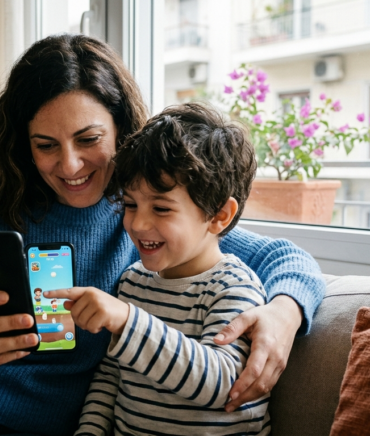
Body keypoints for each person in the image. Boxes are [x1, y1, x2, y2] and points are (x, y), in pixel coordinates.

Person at [0, 34, 325, 436]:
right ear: (24, 146)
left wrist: (285, 312)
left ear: (122, 130)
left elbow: (287, 257)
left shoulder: (146, 217)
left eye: (88, 140)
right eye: (46, 145)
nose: (69, 166)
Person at [48, 103, 269, 435]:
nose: (138, 223)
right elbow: (111, 375)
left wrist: (127, 320)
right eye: (131, 204)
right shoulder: (133, 283)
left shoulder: (233, 287)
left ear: (219, 215)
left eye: (162, 208)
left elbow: (223, 384)